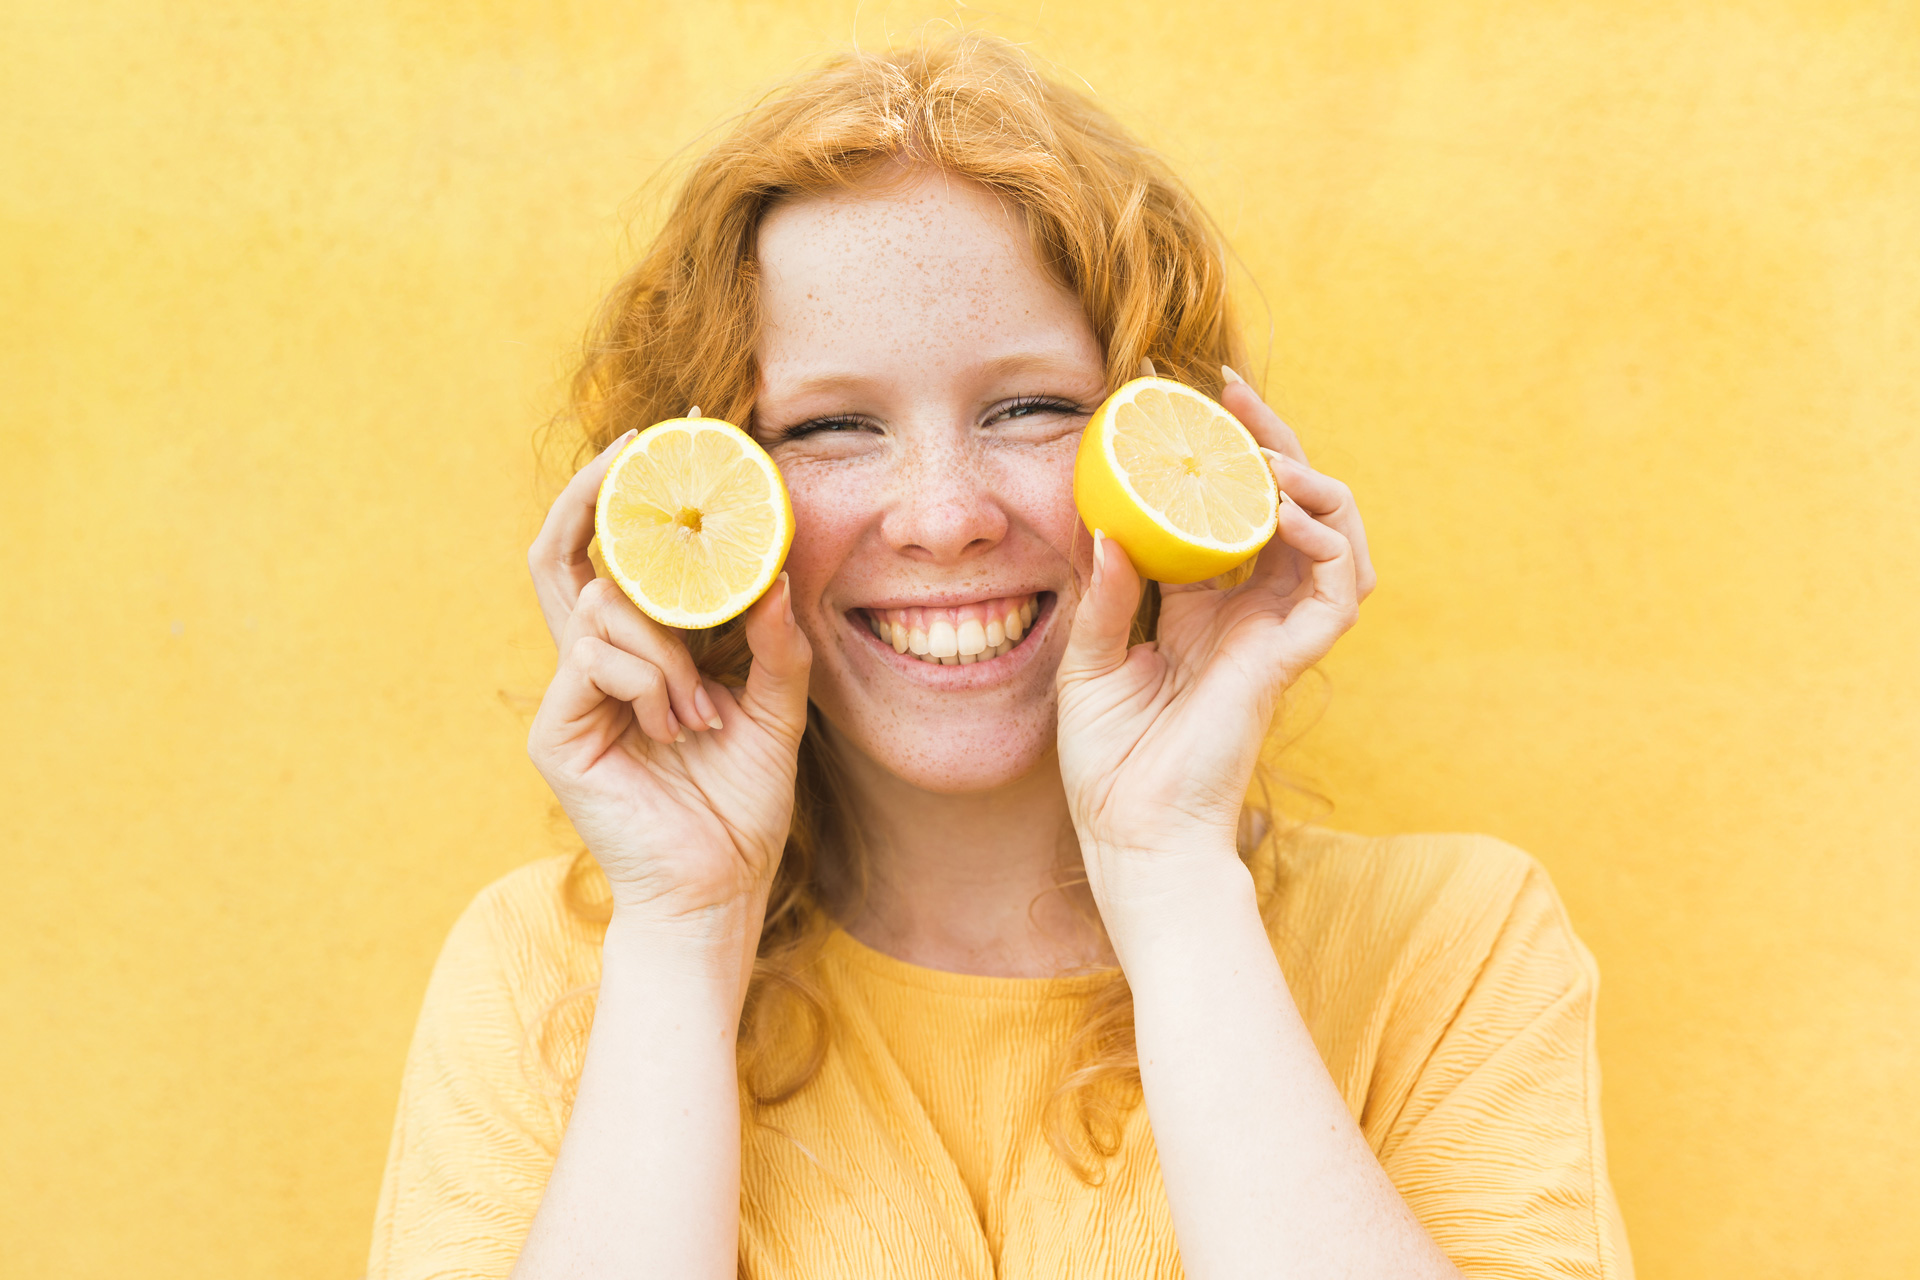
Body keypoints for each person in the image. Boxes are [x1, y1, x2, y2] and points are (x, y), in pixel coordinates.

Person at [367, 33, 1633, 1280]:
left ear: (1167, 441)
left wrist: (1170, 875)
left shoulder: (1447, 947)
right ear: (710, 489)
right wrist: (687, 930)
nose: (943, 513)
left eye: (1029, 406)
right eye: (830, 425)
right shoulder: (549, 977)